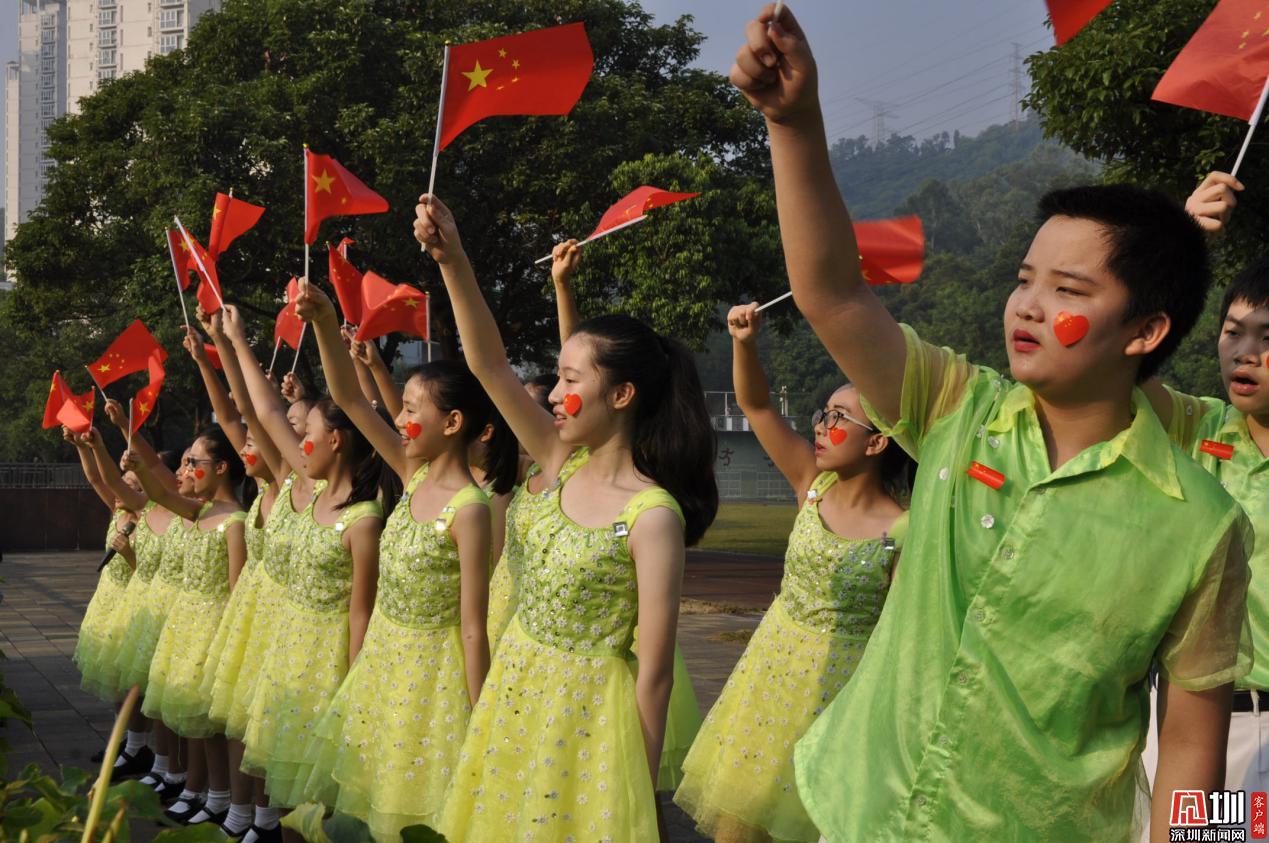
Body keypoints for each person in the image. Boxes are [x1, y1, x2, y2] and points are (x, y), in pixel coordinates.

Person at [729, 6, 1250, 840]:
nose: (1027, 306)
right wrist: (792, 124)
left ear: (1145, 330)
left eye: (1067, 291)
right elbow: (832, 293)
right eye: (1023, 278)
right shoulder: (955, 408)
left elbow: (1192, 742)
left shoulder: (1200, 524)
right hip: (864, 812)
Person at [415, 194, 718, 841]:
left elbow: (655, 676)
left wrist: (632, 800)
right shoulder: (558, 460)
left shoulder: (652, 516)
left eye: (570, 381)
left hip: (588, 724)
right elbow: (488, 364)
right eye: (556, 378)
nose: (553, 394)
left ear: (622, 394)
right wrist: (452, 260)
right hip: (515, 693)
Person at [673, 301, 911, 842]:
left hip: (841, 695)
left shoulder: (903, 530)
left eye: (840, 418)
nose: (822, 426)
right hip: (770, 676)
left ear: (878, 442)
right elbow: (756, 405)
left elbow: (899, 636)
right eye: (824, 414)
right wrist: (744, 343)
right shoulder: (811, 483)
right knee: (742, 822)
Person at [293, 282, 514, 839]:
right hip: (384, 664)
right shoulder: (411, 474)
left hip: (433, 682)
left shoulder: (471, 509)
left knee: (415, 807)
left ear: (453, 423)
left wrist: (479, 718)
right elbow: (348, 398)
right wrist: (324, 323)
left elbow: (472, 627)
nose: (400, 421)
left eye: (412, 410)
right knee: (373, 796)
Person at [1136, 171, 1268, 834]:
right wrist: (1179, 244)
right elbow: (1109, 370)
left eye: (1268, 337)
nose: (1245, 353)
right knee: (1201, 836)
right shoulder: (1197, 428)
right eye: (1232, 331)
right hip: (1203, 729)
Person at [229, 298, 392, 809]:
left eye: (310, 436)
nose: (299, 444)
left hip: (327, 665)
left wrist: (353, 688)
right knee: (284, 786)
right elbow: (264, 413)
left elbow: (361, 613)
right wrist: (234, 340)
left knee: (316, 800)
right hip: (288, 650)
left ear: (336, 441)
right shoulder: (310, 486)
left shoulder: (363, 519)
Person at [126, 426, 247, 827]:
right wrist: (139, 467)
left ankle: (221, 796)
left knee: (211, 723)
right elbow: (160, 495)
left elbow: (236, 591)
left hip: (213, 628)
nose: (189, 468)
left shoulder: (235, 521)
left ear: (222, 467)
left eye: (195, 462)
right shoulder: (200, 511)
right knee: (195, 719)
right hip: (187, 623)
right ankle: (208, 793)